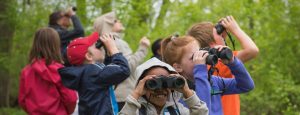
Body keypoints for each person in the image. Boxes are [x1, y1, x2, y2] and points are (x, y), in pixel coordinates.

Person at [160, 35, 255, 115]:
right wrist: (200, 70)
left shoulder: (213, 81)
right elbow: (203, 110)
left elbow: (246, 86)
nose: (201, 58)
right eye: (194, 57)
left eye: (200, 52)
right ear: (178, 67)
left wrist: (233, 62)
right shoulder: (177, 93)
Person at [187, 16, 259, 115]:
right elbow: (252, 50)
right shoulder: (221, 63)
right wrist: (235, 29)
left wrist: (220, 36)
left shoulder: (199, 68)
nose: (223, 36)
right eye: (219, 35)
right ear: (213, 44)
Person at [58, 32, 130, 115]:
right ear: (89, 56)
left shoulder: (85, 73)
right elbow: (123, 69)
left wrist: (109, 54)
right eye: (97, 46)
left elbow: (107, 71)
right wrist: (113, 48)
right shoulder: (93, 72)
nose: (100, 47)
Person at [93, 11, 150, 110]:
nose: (119, 21)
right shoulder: (116, 42)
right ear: (107, 25)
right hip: (124, 96)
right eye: (115, 21)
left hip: (112, 97)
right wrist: (143, 48)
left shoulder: (98, 45)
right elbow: (129, 67)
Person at [18, 27, 77, 114]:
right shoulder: (60, 70)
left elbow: (22, 100)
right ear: (56, 45)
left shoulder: (26, 71)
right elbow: (71, 99)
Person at [119, 57, 208, 115]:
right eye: (152, 83)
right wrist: (136, 93)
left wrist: (187, 91)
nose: (160, 89)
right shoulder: (136, 111)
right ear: (142, 85)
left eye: (165, 83)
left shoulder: (178, 111)